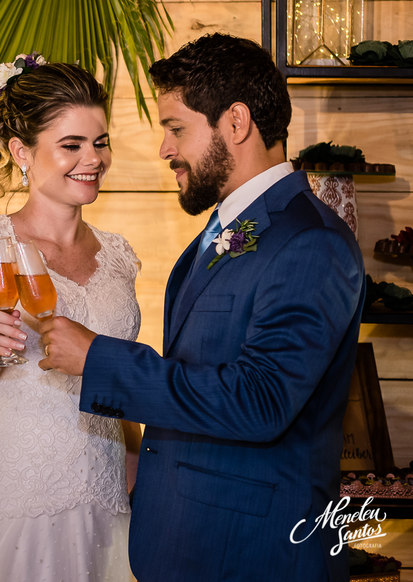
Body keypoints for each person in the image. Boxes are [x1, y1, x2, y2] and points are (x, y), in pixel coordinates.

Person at [40, 33, 365, 582]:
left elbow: (260, 401)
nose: (165, 150)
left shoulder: (313, 243)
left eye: (175, 129)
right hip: (189, 541)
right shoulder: (235, 229)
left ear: (235, 123)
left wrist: (100, 358)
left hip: (252, 554)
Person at [0, 54, 141, 581]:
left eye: (101, 141)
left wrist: (143, 483)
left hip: (111, 502)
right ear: (22, 151)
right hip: (17, 501)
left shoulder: (119, 257)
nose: (92, 159)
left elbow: (119, 383)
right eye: (71, 145)